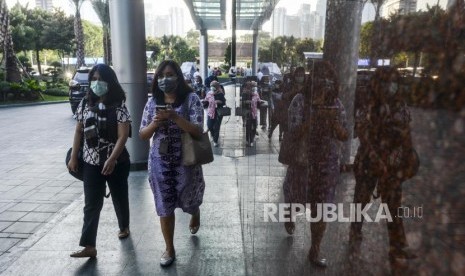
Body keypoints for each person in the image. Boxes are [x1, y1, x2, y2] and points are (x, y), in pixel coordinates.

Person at [139, 60, 206, 267]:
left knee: (189, 199)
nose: (164, 79)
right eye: (160, 75)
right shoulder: (152, 103)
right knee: (164, 204)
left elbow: (198, 130)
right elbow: (142, 134)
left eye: (169, 74)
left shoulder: (191, 99)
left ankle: (195, 212)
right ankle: (169, 248)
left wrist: (176, 117)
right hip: (160, 163)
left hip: (186, 162)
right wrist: (155, 123)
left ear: (178, 76)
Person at [282, 61, 348, 267]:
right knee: (295, 197)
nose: (324, 82)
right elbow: (292, 131)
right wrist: (314, 117)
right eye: (319, 77)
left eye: (328, 78)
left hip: (327, 165)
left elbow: (345, 135)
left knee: (322, 208)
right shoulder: (300, 101)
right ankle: (290, 214)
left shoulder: (336, 104)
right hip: (303, 162)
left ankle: (315, 249)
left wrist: (333, 121)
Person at [350, 67, 417, 260]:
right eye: (386, 82)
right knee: (361, 199)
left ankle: (398, 245)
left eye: (394, 81)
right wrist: (376, 159)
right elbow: (363, 135)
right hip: (368, 162)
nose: (390, 86)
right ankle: (355, 230)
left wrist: (407, 156)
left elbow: (406, 133)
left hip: (393, 163)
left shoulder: (401, 106)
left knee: (393, 205)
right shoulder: (368, 106)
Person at [68, 64, 131, 258]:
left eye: (100, 79)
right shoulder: (85, 105)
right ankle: (89, 246)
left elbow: (123, 136)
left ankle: (124, 226)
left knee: (119, 197)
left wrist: (112, 159)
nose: (96, 83)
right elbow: (79, 130)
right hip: (91, 162)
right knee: (91, 204)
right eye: (93, 79)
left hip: (117, 162)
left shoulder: (119, 106)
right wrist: (73, 156)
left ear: (109, 81)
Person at [204, 80, 226, 147]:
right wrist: (204, 102)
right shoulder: (209, 93)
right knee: (209, 125)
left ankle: (215, 141)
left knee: (216, 127)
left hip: (218, 112)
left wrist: (219, 101)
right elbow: (206, 101)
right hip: (210, 112)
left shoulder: (220, 93)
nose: (212, 87)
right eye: (211, 86)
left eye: (213, 86)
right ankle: (213, 136)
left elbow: (224, 102)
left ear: (217, 86)